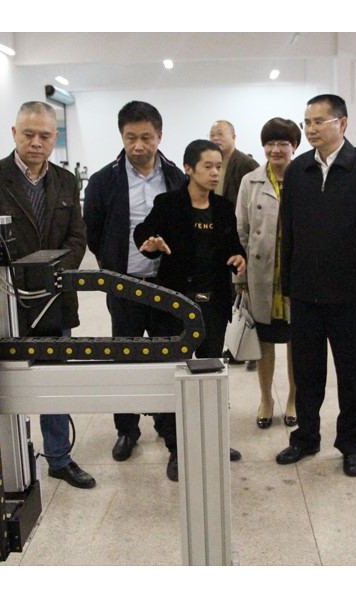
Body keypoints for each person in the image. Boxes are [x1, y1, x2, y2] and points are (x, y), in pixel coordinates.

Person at [0, 101, 95, 490]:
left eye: (44, 135)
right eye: (28, 134)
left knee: (54, 380)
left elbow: (77, 238)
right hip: (6, 300)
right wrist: (25, 275)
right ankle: (13, 460)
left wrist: (49, 272)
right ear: (14, 133)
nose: (36, 142)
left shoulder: (66, 181)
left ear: (55, 138)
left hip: (56, 295)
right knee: (8, 383)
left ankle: (59, 458)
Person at [274, 94, 356, 477]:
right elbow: (288, 232)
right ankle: (306, 437)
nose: (310, 129)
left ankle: (352, 443)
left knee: (354, 374)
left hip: (352, 295)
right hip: (306, 293)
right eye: (307, 122)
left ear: (342, 123)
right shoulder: (298, 171)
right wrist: (287, 283)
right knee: (307, 372)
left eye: (318, 121)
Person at [134, 139, 246, 481]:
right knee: (177, 376)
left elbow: (233, 246)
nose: (214, 173)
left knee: (210, 376)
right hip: (177, 307)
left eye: (218, 167)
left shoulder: (223, 207)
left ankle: (212, 439)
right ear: (189, 168)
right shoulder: (168, 204)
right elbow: (144, 233)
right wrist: (151, 244)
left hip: (213, 305)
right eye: (207, 166)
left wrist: (238, 256)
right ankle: (176, 447)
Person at [83, 100, 186, 467]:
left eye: (146, 137)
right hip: (124, 287)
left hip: (166, 287)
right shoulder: (103, 181)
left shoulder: (177, 178)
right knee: (124, 359)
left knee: (168, 361)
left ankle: (171, 435)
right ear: (122, 137)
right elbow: (93, 233)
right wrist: (112, 267)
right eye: (131, 138)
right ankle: (126, 429)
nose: (138, 146)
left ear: (159, 136)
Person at [234, 118, 301, 429]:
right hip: (261, 274)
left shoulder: (305, 178)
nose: (276, 150)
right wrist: (239, 277)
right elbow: (241, 230)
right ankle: (265, 398)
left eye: (283, 143)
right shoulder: (250, 181)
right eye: (270, 143)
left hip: (296, 274)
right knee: (264, 341)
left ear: (294, 146)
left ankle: (293, 398)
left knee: (297, 342)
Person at [210, 119, 260, 371]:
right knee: (231, 298)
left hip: (241, 238)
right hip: (220, 240)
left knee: (247, 298)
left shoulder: (245, 163)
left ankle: (253, 353)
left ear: (234, 136)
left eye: (220, 133)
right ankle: (236, 346)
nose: (215, 138)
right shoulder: (213, 163)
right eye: (212, 134)